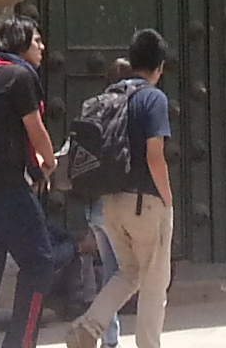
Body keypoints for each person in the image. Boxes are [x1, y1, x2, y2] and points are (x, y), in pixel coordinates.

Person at [0, 16, 70, 348]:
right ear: (22, 42)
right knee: (40, 263)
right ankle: (21, 343)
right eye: (36, 40)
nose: (42, 47)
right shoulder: (19, 76)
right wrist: (50, 164)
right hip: (8, 186)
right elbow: (35, 130)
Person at [66, 29, 173, 348]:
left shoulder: (110, 97)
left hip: (109, 202)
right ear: (160, 67)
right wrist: (166, 199)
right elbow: (155, 156)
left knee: (128, 273)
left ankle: (88, 326)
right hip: (144, 201)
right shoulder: (154, 98)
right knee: (155, 283)